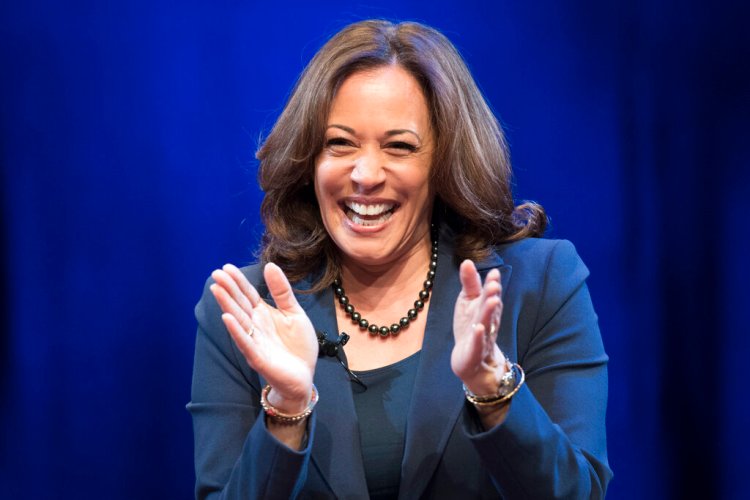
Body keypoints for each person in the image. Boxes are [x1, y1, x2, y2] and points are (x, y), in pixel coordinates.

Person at [188, 19, 612, 499]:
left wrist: (493, 389)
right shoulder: (246, 313)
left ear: (445, 163)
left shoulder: (542, 284)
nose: (365, 174)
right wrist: (287, 406)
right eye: (340, 143)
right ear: (309, 160)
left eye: (400, 147)